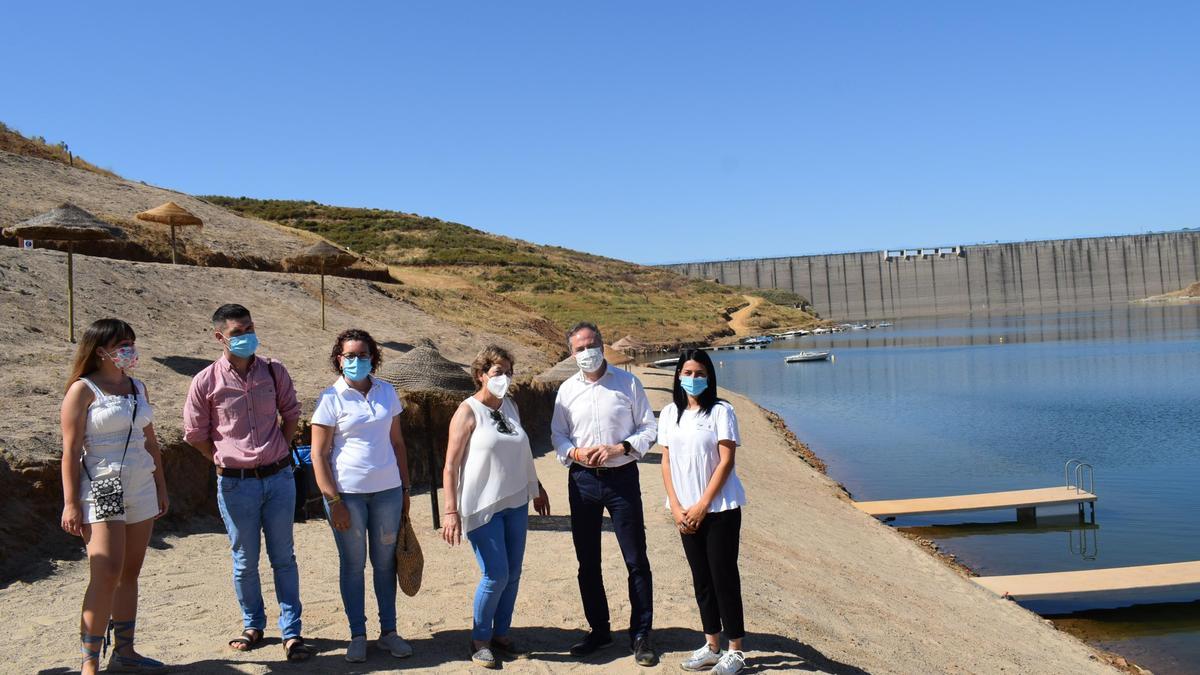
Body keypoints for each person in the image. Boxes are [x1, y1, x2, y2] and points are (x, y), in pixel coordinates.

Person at [183, 304, 311, 662]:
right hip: (236, 485)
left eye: (249, 328)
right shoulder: (205, 381)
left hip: (279, 478)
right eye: (238, 332)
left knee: (284, 557)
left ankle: (291, 632)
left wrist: (282, 446)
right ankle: (253, 624)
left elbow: (292, 411)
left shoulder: (274, 370)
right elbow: (195, 434)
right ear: (219, 337)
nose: (246, 337)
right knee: (244, 560)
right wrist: (223, 459)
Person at [61, 319, 169, 674]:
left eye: (131, 342)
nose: (130, 349)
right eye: (122, 343)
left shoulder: (138, 387)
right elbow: (71, 449)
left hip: (140, 485)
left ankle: (125, 652)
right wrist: (71, 502)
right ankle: (89, 663)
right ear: (100, 349)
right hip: (103, 485)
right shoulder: (83, 389)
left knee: (130, 572)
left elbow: (151, 443)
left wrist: (161, 486)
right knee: (106, 570)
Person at [550, 322, 659, 666]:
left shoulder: (628, 383)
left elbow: (649, 428)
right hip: (583, 481)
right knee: (587, 562)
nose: (586, 352)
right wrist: (576, 454)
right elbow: (558, 435)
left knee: (636, 559)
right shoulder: (566, 391)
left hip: (622, 479)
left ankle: (640, 635)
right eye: (579, 348)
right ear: (572, 353)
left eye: (591, 345)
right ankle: (599, 631)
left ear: (601, 344)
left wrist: (620, 448)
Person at [441, 346, 551, 669]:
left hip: (515, 502)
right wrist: (450, 511)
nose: (504, 377)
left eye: (508, 371)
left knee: (513, 574)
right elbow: (450, 466)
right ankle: (479, 638)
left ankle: (501, 634)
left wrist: (538, 487)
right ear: (481, 375)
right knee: (496, 574)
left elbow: (523, 452)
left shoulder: (512, 407)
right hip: (481, 506)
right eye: (498, 371)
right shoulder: (467, 411)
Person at [310, 328, 414, 663]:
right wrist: (333, 501)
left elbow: (398, 443)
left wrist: (406, 488)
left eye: (363, 354)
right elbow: (318, 455)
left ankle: (389, 633)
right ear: (339, 359)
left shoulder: (387, 392)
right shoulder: (330, 398)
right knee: (353, 566)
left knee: (384, 564)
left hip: (388, 493)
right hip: (348, 496)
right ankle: (357, 634)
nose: (357, 360)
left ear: (373, 358)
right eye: (350, 355)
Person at [659, 349, 748, 675]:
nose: (692, 379)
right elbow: (666, 461)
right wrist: (676, 505)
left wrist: (701, 505)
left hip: (719, 510)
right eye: (687, 372)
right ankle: (712, 645)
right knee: (702, 581)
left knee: (724, 578)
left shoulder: (721, 411)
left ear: (709, 377)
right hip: (684, 512)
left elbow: (726, 461)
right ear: (678, 375)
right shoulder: (670, 413)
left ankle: (735, 650)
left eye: (699, 373)